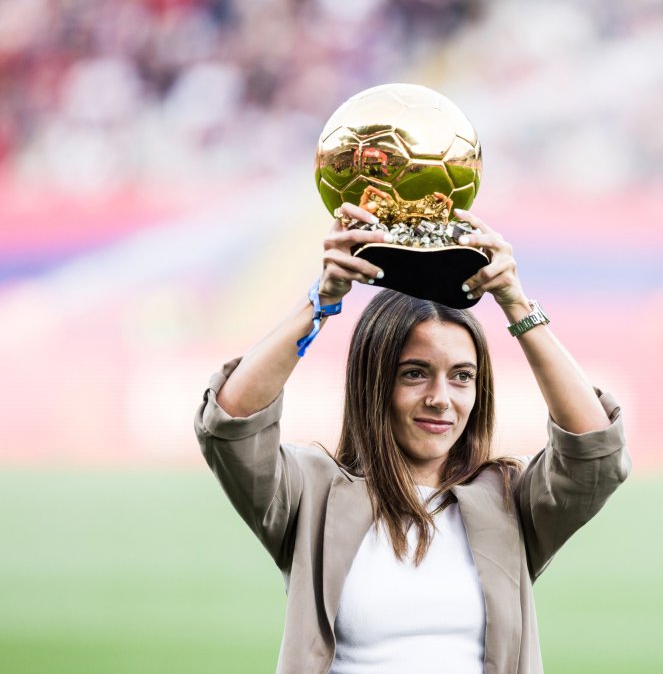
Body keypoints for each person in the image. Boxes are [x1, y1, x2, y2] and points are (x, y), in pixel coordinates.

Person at [194, 202, 630, 673]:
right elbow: (232, 424)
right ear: (374, 382)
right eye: (415, 373)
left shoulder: (510, 497)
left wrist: (517, 305)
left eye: (462, 376)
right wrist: (321, 300)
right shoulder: (314, 494)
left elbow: (595, 452)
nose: (441, 399)